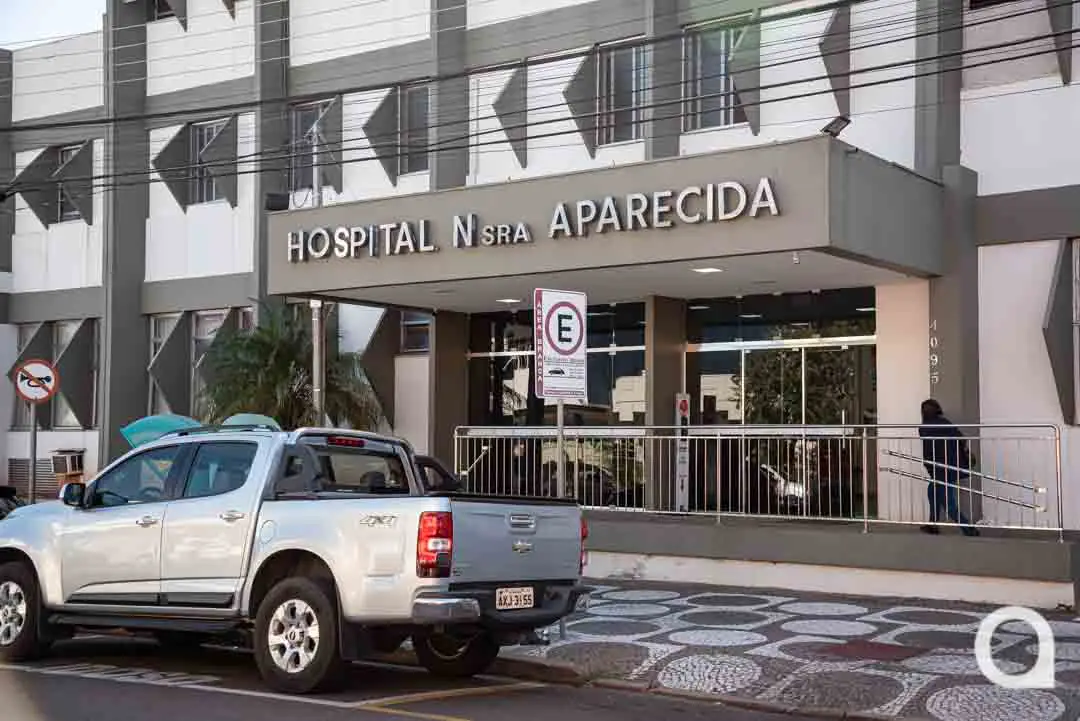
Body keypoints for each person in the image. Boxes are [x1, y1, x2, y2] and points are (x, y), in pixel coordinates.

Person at [918, 399, 979, 537]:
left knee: (948, 503)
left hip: (939, 468)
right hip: (950, 466)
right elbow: (961, 439)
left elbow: (928, 451)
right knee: (932, 492)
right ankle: (932, 524)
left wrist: (929, 467)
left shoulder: (925, 427)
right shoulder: (945, 422)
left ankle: (969, 529)